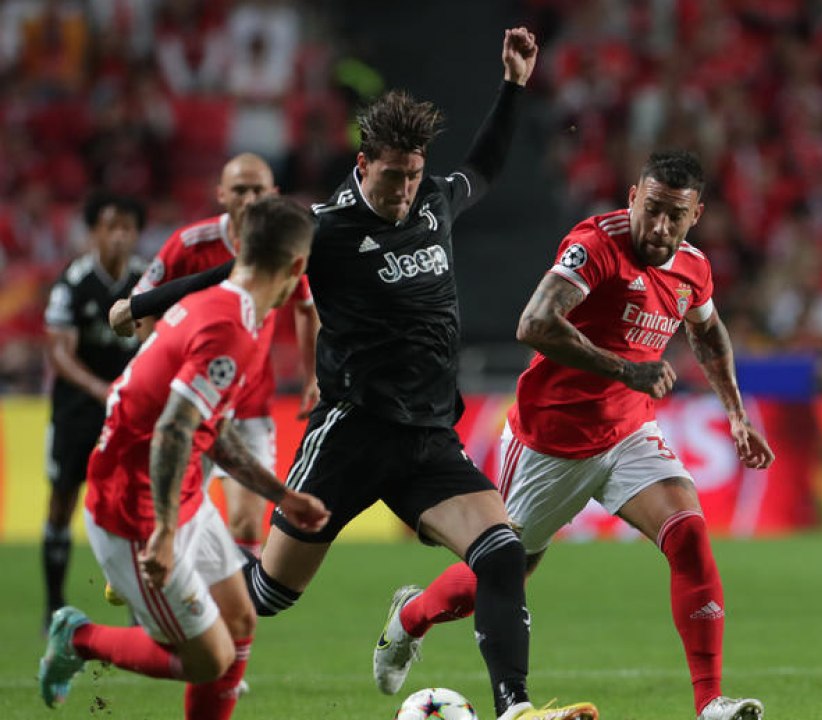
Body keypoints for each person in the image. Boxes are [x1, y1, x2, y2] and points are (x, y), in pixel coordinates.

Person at [111, 27, 598, 720]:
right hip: (350, 437)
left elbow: (485, 167)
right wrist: (142, 304)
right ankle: (168, 573)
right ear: (364, 163)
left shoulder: (433, 201)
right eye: (393, 175)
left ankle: (515, 709)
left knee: (501, 553)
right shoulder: (327, 229)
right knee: (268, 596)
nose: (405, 189)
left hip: (428, 437)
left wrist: (514, 86)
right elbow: (239, 273)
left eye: (413, 173)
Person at [373, 151, 774, 720]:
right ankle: (411, 616)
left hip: (629, 433)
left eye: (675, 216)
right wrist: (626, 369)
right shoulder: (596, 245)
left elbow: (708, 333)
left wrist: (735, 413)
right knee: (501, 573)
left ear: (696, 215)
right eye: (652, 209)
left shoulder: (693, 267)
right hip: (550, 441)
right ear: (633, 198)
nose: (660, 226)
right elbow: (533, 324)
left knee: (689, 534)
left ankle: (710, 702)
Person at [37, 197, 331, 720]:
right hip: (135, 511)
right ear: (296, 268)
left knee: (240, 623)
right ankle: (77, 637)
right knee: (208, 659)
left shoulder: (223, 307)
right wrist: (166, 533)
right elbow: (174, 428)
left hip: (178, 491)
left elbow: (205, 427)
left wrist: (281, 496)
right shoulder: (230, 328)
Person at [132, 153, 320, 558]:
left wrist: (312, 377)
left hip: (249, 405)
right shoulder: (189, 244)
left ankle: (238, 600)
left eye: (257, 190)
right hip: (193, 403)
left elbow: (307, 308)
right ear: (220, 194)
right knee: (173, 523)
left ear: (274, 193)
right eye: (239, 190)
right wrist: (160, 372)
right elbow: (140, 305)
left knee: (248, 523)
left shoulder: (280, 249)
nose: (249, 199)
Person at [41, 191, 149, 629]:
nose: (120, 236)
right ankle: (53, 605)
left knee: (136, 505)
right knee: (62, 499)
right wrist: (100, 389)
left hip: (130, 411)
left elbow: (157, 339)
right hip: (77, 411)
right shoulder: (73, 282)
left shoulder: (146, 281)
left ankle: (140, 611)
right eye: (111, 227)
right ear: (94, 233)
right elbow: (59, 353)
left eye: (128, 228)